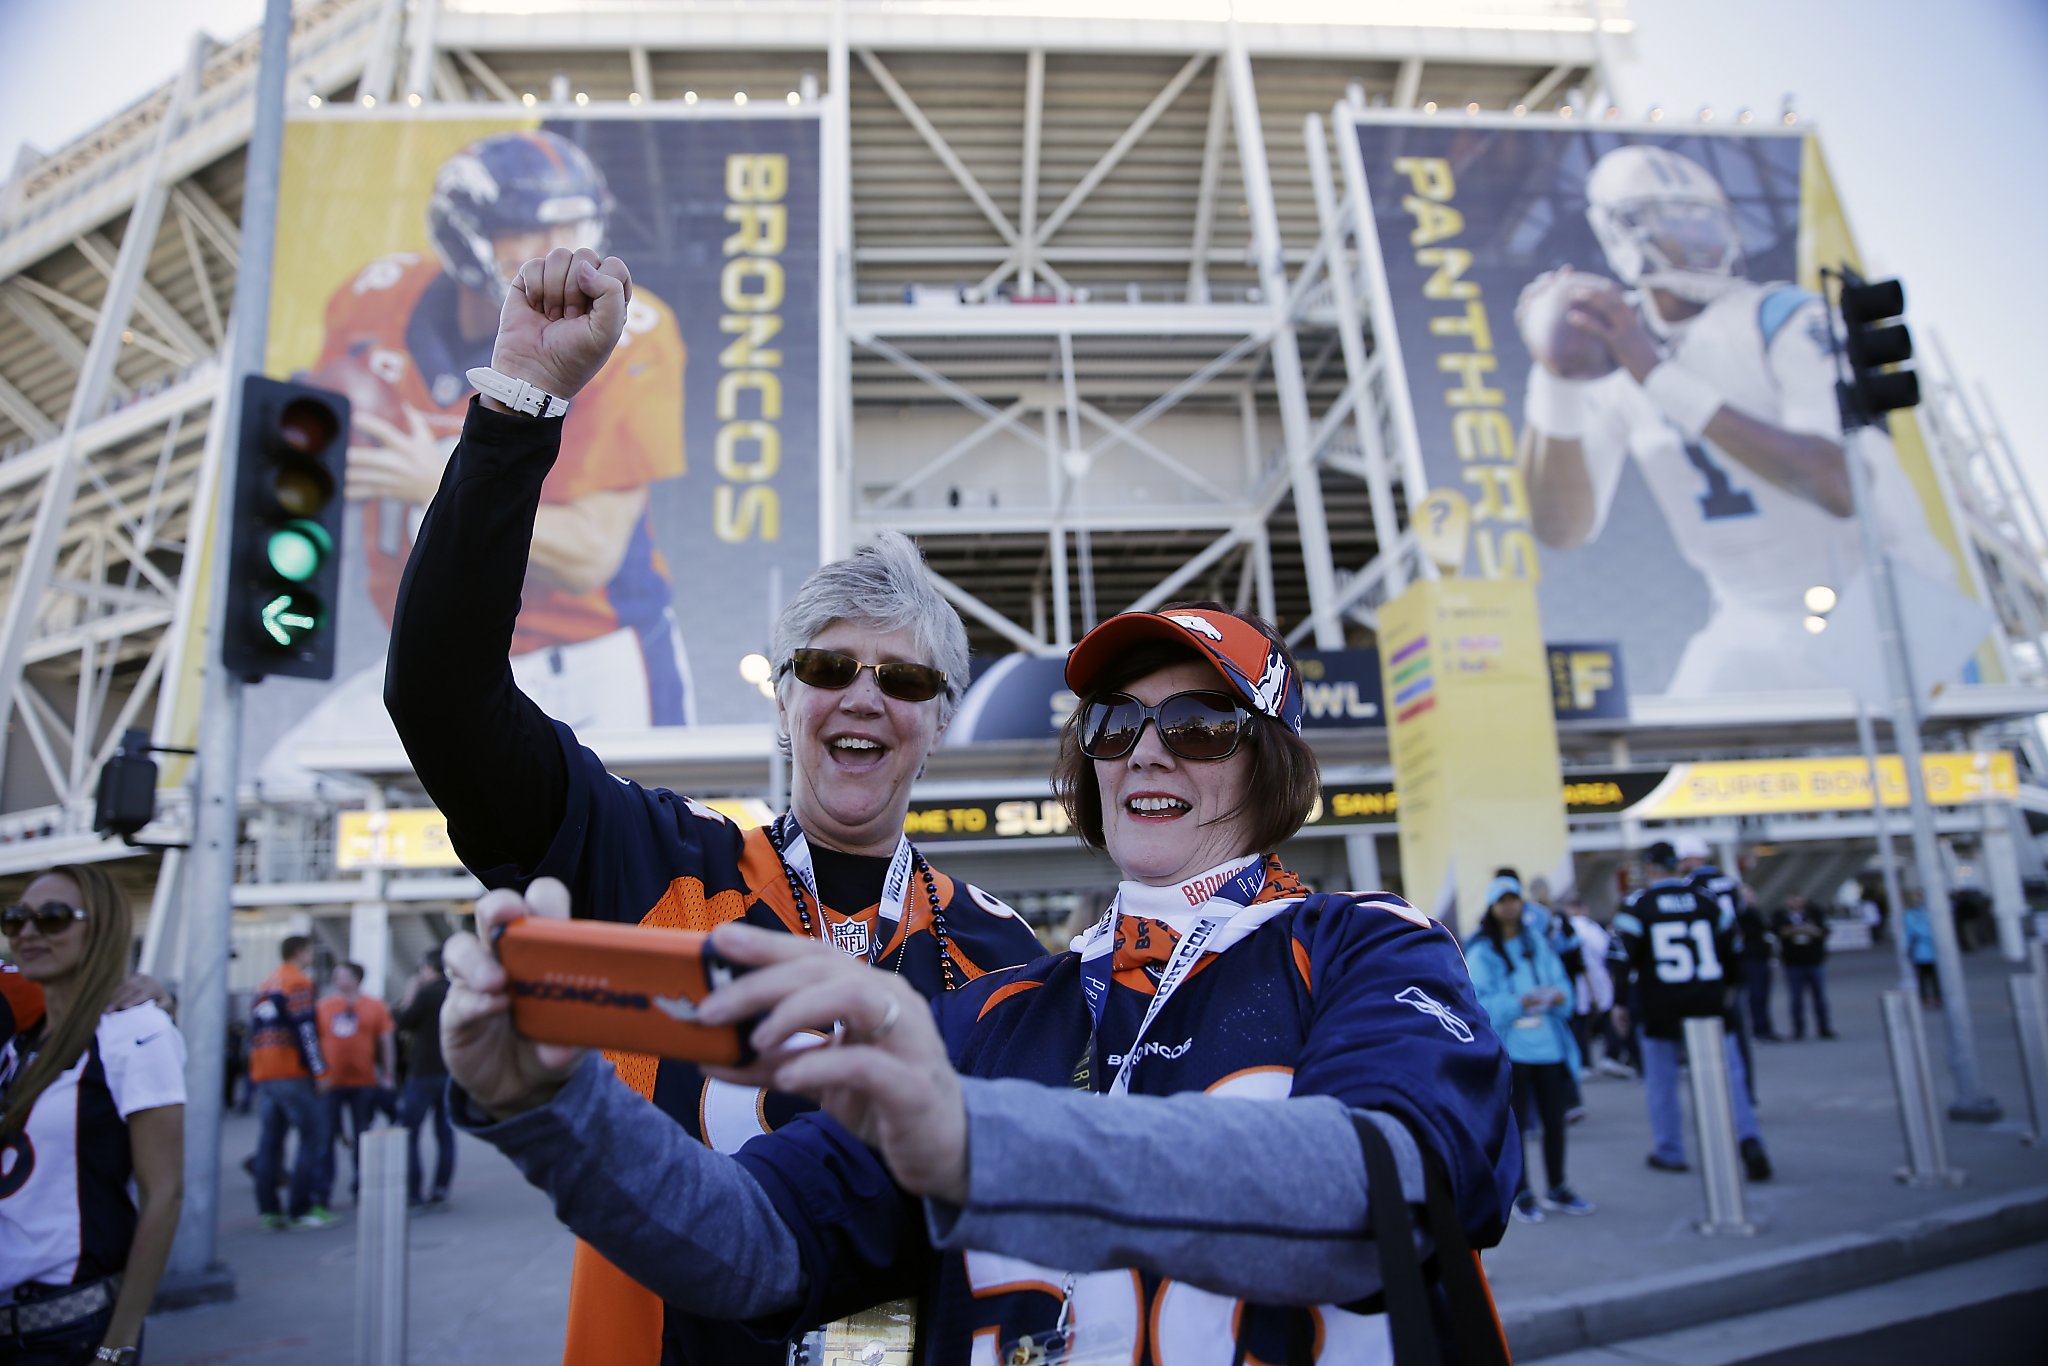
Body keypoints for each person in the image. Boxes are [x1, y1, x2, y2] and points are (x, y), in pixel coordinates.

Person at [439, 598, 1519, 1364]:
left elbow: (1395, 1183)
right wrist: (548, 1102)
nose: (1147, 752)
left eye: (1196, 724)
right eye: (1111, 724)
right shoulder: (998, 1009)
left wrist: (972, 1144)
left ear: (1267, 760)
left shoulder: (1366, 943)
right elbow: (754, 1243)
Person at [382, 249, 1048, 1366]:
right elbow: (442, 698)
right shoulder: (651, 863)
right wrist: (518, 403)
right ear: (782, 698)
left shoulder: (999, 952)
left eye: (905, 680)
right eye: (828, 670)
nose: (863, 698)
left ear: (938, 725)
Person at [258, 128, 692, 793]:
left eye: (576, 223)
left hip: (589, 662)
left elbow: (590, 557)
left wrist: (438, 481)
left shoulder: (627, 335)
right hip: (444, 660)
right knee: (283, 784)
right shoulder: (374, 303)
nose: (563, 251)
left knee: (614, 871)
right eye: (529, 230)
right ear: (465, 236)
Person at [1517, 143, 1959, 698]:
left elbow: (1839, 486)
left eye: (1700, 222)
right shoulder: (1615, 340)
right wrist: (1553, 377)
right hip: (1756, 615)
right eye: (1671, 223)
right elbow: (1563, 528)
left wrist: (1656, 374)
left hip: (1885, 590)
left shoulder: (1782, 317)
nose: (1694, 239)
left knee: (1917, 777)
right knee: (1692, 772)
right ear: (1619, 233)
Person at [1, 866, 185, 1365]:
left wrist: (116, 1345)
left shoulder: (135, 1031)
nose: (29, 932)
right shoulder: (17, 1044)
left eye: (53, 918)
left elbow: (164, 1194)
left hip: (70, 1330)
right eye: (15, 920)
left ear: (100, 927)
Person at [1609, 841, 1772, 1181]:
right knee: (1731, 1077)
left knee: (1662, 1082)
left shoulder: (1639, 905)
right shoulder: (1707, 901)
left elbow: (1621, 957)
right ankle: (1748, 1137)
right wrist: (1728, 989)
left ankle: (1670, 1150)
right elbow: (1734, 949)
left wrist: (1620, 1002)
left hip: (1661, 1004)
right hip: (1710, 1002)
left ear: (1650, 867)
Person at [1466, 876, 1590, 1223]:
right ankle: (1520, 1190)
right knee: (1516, 1129)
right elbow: (1479, 1002)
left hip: (1549, 1046)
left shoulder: (1537, 941)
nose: (1509, 906)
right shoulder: (1482, 951)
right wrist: (1519, 1002)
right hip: (1512, 1051)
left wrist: (1558, 996)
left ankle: (1558, 1185)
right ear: (1491, 906)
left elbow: (1562, 983)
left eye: (1514, 899)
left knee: (1555, 1122)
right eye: (1502, 900)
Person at [249, 935, 335, 1231]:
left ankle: (269, 1209)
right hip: (291, 1073)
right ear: (300, 952)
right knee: (313, 1137)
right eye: (310, 950)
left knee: (270, 1142)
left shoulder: (265, 984)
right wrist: (321, 1072)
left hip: (265, 1073)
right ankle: (301, 1208)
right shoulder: (297, 983)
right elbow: (306, 1031)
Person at [1675, 835, 1759, 1101]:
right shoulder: (1729, 882)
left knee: (1705, 1032)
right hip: (1733, 962)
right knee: (1738, 1031)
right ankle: (1745, 1091)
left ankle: (1717, 1094)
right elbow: (1743, 918)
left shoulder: (1690, 886)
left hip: (1706, 967)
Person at [315, 961, 396, 1209]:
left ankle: (361, 1187)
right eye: (337, 975)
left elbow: (386, 1040)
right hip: (331, 1083)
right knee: (326, 1137)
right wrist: (318, 1075)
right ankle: (322, 1192)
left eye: (345, 975)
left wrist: (388, 1075)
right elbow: (314, 1042)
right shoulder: (324, 1006)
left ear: (357, 979)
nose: (339, 980)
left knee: (363, 1136)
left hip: (364, 1082)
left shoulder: (375, 1006)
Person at [395, 949, 455, 1210]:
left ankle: (414, 1193)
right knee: (445, 1134)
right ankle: (441, 1189)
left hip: (423, 1073)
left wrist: (410, 994)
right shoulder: (453, 991)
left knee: (410, 1132)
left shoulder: (426, 993)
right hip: (451, 1071)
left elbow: (403, 1021)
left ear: (429, 968)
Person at [1772, 893, 1835, 1039]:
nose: (1796, 902)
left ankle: (1824, 1027)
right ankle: (1798, 1029)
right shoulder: (1781, 915)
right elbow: (1778, 932)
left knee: (1819, 997)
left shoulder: (1814, 913)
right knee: (1796, 998)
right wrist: (1799, 930)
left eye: (1799, 899)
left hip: (1814, 960)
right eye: (1793, 899)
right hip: (1793, 962)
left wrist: (1807, 929)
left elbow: (1823, 931)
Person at [1902, 896, 1941, 1007]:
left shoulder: (1910, 915)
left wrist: (1907, 948)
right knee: (1935, 977)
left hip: (1919, 951)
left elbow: (1908, 934)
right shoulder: (1930, 914)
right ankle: (1938, 997)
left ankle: (1925, 999)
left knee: (1922, 978)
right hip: (1932, 950)